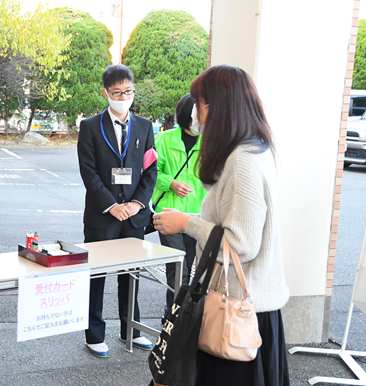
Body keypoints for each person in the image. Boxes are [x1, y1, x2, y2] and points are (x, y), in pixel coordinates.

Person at [153, 65, 290, 386]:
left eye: (199, 103)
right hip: (246, 308)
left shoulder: (242, 161)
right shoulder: (256, 149)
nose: (194, 113)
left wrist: (186, 222)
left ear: (217, 108)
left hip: (235, 312)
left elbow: (241, 243)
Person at [77, 64, 157, 358]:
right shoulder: (89, 127)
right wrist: (112, 205)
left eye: (128, 91)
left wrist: (136, 204)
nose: (123, 97)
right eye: (117, 92)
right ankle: (94, 333)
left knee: (131, 273)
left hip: (134, 216)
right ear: (106, 93)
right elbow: (88, 172)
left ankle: (131, 330)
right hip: (102, 214)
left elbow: (150, 170)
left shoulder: (145, 127)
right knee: (97, 275)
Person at [151, 94, 205, 320]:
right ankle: (173, 317)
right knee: (177, 269)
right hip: (168, 212)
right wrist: (170, 183)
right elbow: (151, 171)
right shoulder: (163, 139)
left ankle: (178, 316)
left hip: (196, 213)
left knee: (189, 264)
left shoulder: (208, 141)